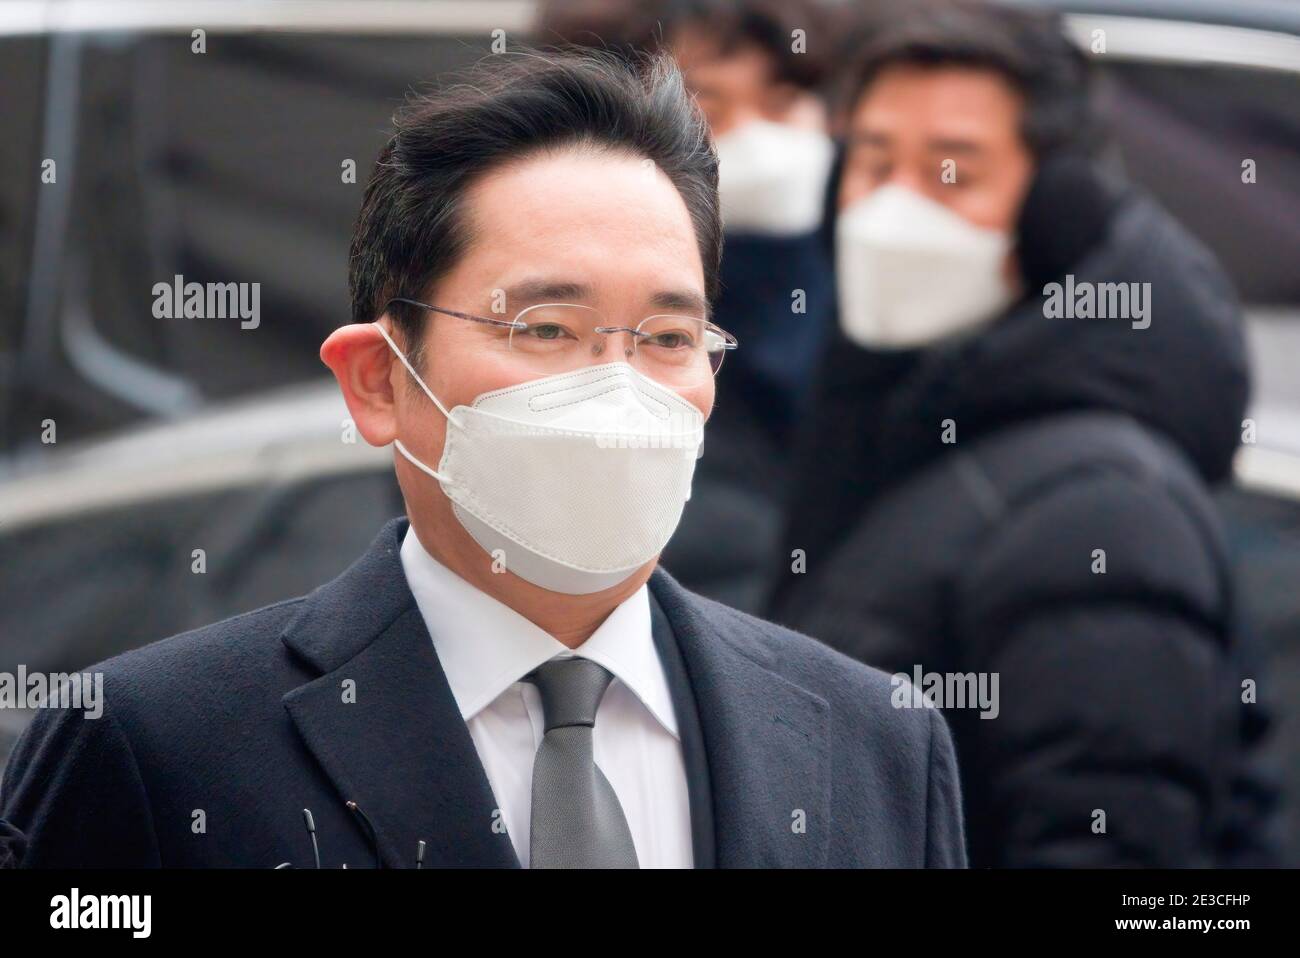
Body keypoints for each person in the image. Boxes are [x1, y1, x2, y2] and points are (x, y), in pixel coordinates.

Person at [1, 52, 966, 869]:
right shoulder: (156, 747)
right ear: (378, 380)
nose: (618, 389)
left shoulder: (872, 744)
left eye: (670, 337)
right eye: (547, 327)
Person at [767, 1, 1279, 867]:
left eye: (952, 171)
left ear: (1053, 214)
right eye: (873, 160)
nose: (894, 207)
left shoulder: (1104, 511)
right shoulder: (898, 422)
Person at [537, 0, 840, 611]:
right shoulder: (555, 309)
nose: (759, 138)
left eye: (782, 104)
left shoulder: (873, 301)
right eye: (710, 105)